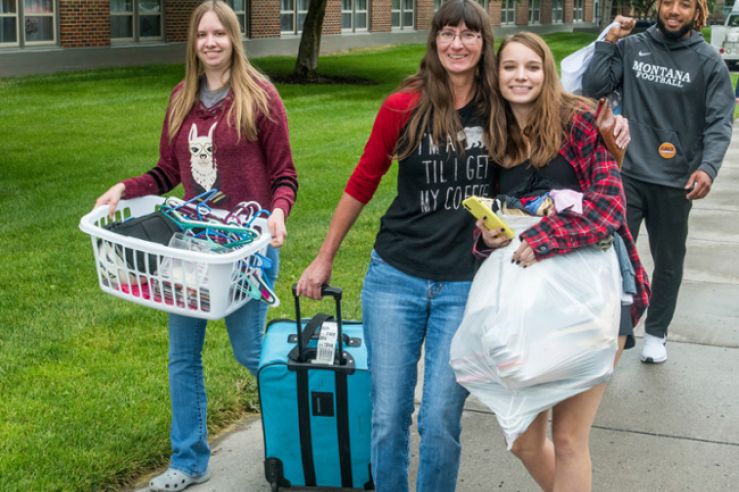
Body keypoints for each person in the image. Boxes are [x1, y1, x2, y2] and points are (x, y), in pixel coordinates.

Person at [95, 1, 298, 490]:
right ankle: (188, 460)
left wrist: (278, 212)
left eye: (219, 34)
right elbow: (167, 172)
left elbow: (284, 174)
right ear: (194, 42)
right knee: (182, 355)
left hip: (244, 250)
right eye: (202, 35)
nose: (210, 43)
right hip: (193, 249)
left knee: (252, 353)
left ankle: (296, 443)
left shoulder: (260, 97)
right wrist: (125, 188)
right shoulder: (181, 98)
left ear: (233, 38)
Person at [295, 2, 498, 490]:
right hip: (396, 278)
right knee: (387, 417)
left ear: (483, 43)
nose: (457, 44)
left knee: (440, 419)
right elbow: (363, 180)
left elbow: (551, 115)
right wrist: (324, 258)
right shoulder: (403, 106)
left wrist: (611, 128)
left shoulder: (500, 109)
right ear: (434, 40)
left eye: (469, 35)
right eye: (447, 33)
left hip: (465, 282)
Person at [475, 32, 650, 491]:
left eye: (532, 66)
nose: (521, 76)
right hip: (530, 304)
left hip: (597, 297)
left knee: (570, 438)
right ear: (496, 75)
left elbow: (610, 207)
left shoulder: (580, 122)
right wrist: (489, 237)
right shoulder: (498, 137)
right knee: (523, 440)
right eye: (510, 67)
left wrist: (548, 237)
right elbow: (501, 223)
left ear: (547, 72)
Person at [582, 0, 734, 364]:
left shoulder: (708, 60)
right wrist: (608, 41)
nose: (674, 10)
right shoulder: (633, 47)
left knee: (668, 260)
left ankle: (656, 333)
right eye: (668, 2)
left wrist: (708, 168)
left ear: (696, 12)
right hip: (628, 173)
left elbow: (719, 122)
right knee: (611, 257)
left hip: (676, 180)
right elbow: (594, 85)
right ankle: (611, 331)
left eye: (684, 4)